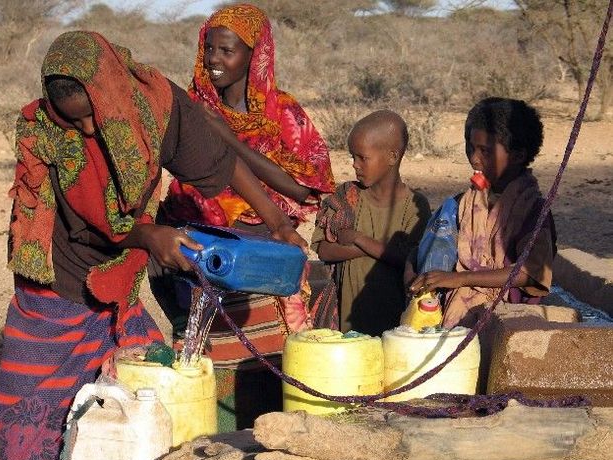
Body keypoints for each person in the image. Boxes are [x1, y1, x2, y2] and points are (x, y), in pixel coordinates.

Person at [0, 30, 306, 460]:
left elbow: (216, 159)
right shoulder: (48, 135)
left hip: (116, 286)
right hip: (57, 288)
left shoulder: (154, 101)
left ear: (110, 90)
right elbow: (90, 223)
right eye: (72, 120)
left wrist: (277, 223)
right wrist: (151, 236)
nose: (86, 130)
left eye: (91, 117)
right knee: (35, 418)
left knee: (150, 388)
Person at [154, 4, 334, 431]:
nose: (214, 60)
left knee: (273, 375)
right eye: (209, 49)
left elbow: (303, 187)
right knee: (206, 376)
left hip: (265, 262)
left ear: (256, 56)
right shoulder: (191, 110)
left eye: (227, 51)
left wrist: (227, 138)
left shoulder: (283, 114)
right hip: (201, 259)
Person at [409, 97, 556, 328]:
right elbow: (433, 247)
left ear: (517, 155)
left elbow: (529, 272)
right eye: (470, 147)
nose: (474, 159)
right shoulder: (462, 203)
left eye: (485, 151)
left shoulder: (533, 212)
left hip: (508, 321)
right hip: (456, 312)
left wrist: (461, 279)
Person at [312, 110, 431, 336]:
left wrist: (358, 239)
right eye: (352, 157)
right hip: (348, 323)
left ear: (392, 157)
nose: (355, 165)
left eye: (362, 158)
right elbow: (324, 249)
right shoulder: (346, 197)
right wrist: (374, 250)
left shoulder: (415, 205)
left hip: (395, 326)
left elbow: (408, 259)